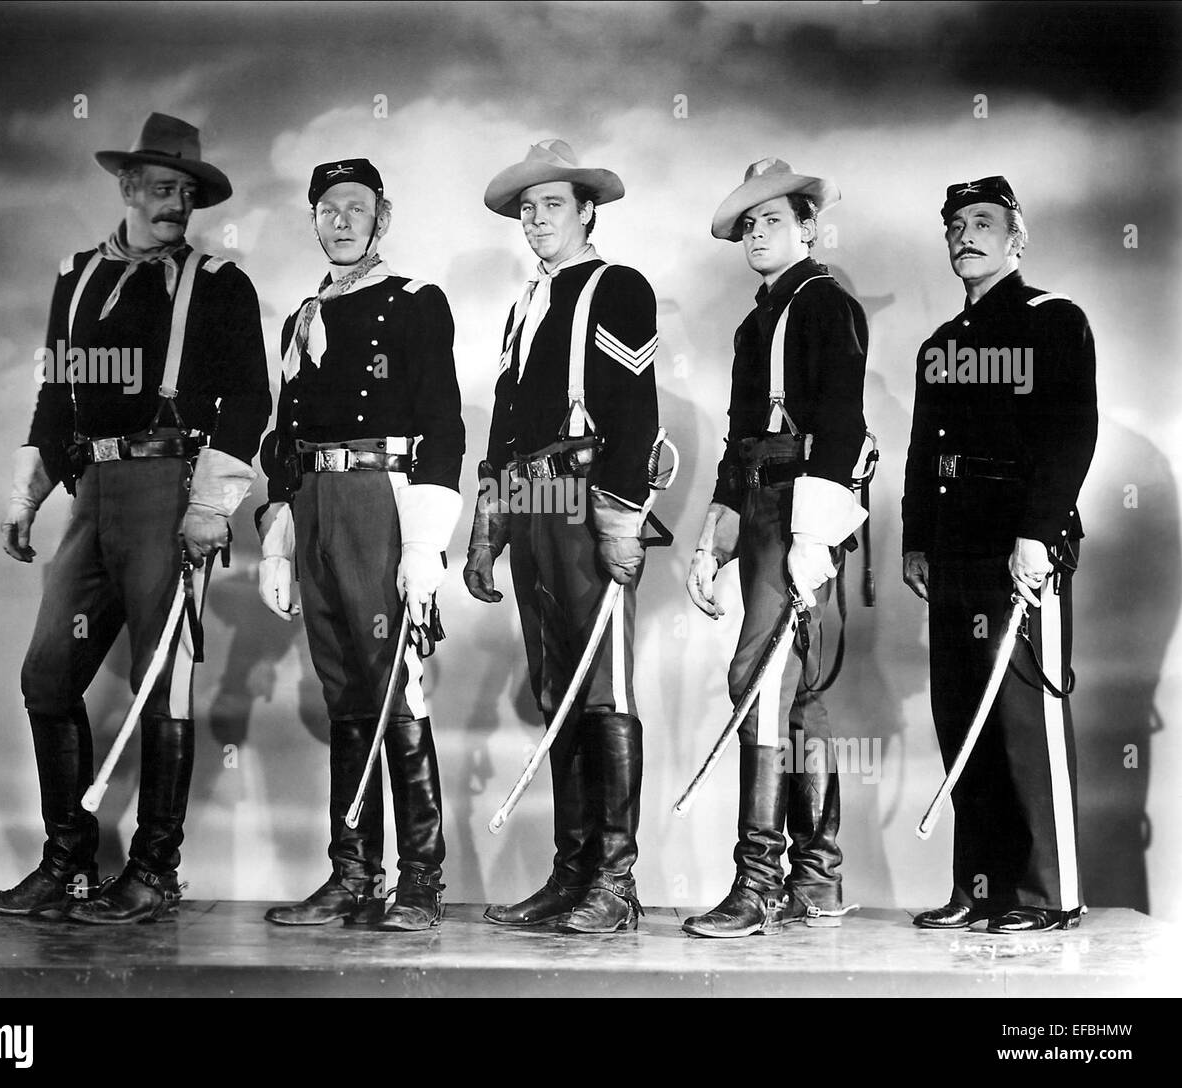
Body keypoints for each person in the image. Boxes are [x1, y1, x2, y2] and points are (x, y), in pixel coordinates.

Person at [0, 112, 270, 924]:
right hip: (91, 493)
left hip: (170, 490)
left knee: (161, 683)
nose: (178, 203)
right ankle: (66, 862)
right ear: (128, 188)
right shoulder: (73, 277)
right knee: (46, 675)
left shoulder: (217, 284)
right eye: (164, 188)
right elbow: (53, 396)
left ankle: (153, 871)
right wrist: (24, 494)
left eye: (188, 191)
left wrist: (212, 504)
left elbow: (251, 402)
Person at [257, 159, 463, 932]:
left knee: (395, 688)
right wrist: (278, 538)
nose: (341, 220)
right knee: (344, 692)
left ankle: (419, 882)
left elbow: (444, 423)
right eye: (328, 209)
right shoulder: (302, 316)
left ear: (383, 216)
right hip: (314, 501)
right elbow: (286, 437)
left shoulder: (415, 303)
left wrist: (424, 545)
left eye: (356, 207)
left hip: (384, 497)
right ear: (313, 220)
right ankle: (352, 874)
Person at [465, 139, 660, 933]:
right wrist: (489, 527)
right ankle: (570, 874)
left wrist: (620, 521)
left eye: (553, 204)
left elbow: (633, 413)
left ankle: (615, 884)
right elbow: (508, 427)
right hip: (533, 498)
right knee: (559, 693)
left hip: (587, 500)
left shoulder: (618, 288)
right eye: (528, 208)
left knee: (604, 688)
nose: (537, 219)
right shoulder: (526, 306)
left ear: (587, 211)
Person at [902, 176, 1096, 933]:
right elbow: (925, 452)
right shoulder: (941, 346)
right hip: (955, 550)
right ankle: (981, 886)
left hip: (1018, 544)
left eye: (983, 222)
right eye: (954, 224)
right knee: (964, 720)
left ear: (1018, 238)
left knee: (1022, 719)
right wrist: (918, 540)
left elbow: (1071, 435)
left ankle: (1048, 893)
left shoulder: (1054, 321)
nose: (965, 235)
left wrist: (1037, 533)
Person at [684, 158, 868, 937]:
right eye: (749, 224)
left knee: (759, 681)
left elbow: (844, 425)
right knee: (796, 699)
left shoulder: (828, 304)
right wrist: (712, 534)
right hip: (759, 505)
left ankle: (757, 883)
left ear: (809, 229)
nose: (758, 234)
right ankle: (817, 880)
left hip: (803, 508)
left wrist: (811, 538)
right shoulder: (753, 324)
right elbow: (739, 440)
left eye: (774, 221)